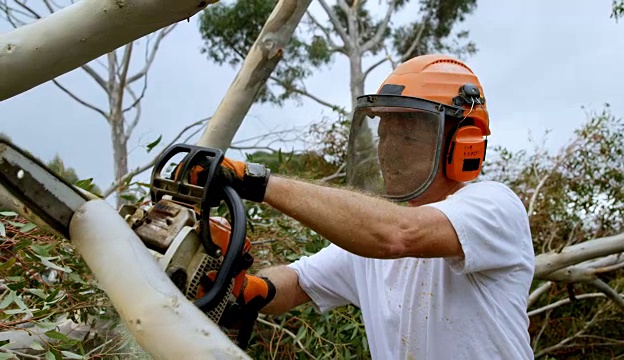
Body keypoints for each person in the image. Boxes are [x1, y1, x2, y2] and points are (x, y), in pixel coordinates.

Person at [192, 54, 535, 359]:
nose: (388, 150)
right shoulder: (365, 243)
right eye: (384, 134)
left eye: (407, 136)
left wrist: (255, 181)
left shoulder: (493, 205)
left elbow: (399, 234)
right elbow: (297, 282)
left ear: (463, 143)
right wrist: (248, 288)